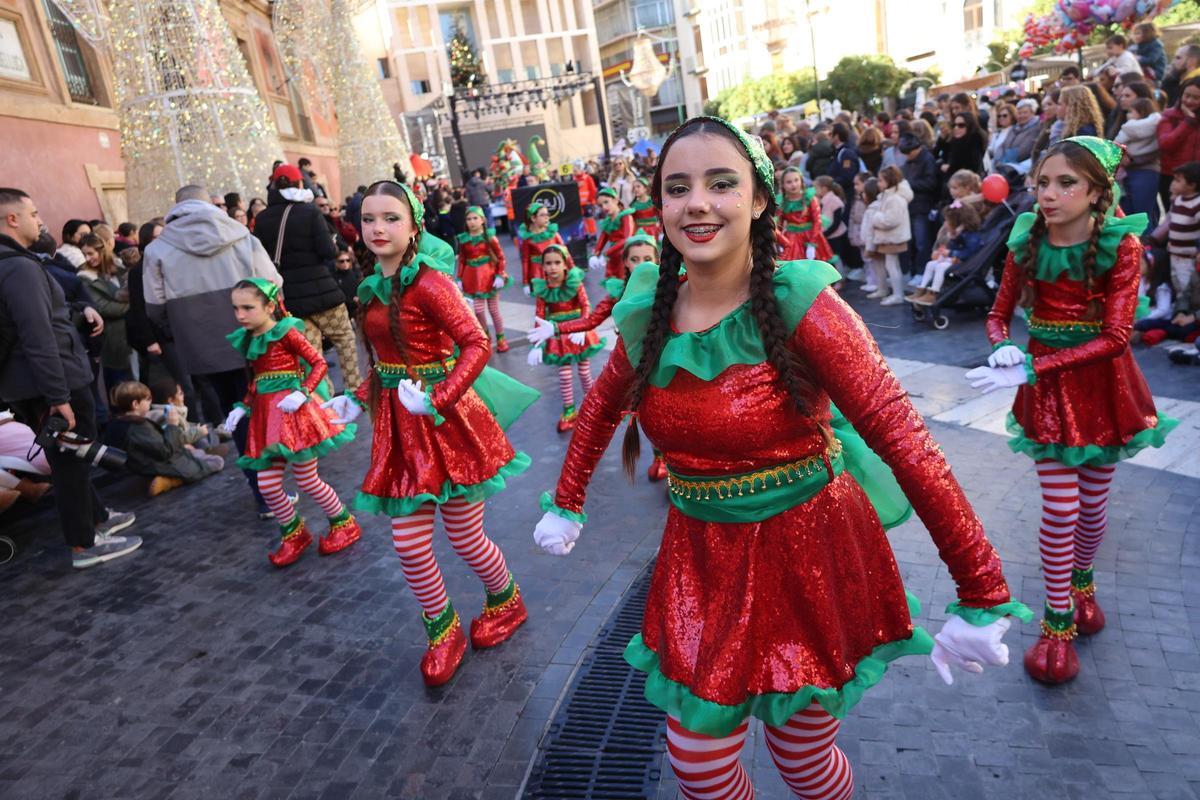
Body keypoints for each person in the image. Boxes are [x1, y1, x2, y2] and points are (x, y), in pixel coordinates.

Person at [532, 117, 1026, 799]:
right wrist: (566, 499)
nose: (697, 203)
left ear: (759, 199)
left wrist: (982, 590)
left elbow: (904, 438)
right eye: (678, 188)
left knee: (804, 761)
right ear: (660, 205)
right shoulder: (649, 306)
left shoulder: (806, 306)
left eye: (721, 183)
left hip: (809, 555)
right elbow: (598, 408)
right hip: (700, 560)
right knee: (699, 765)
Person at [971, 136, 1176, 684]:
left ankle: (1083, 582)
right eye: (1042, 182)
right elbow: (997, 315)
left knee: (1091, 507)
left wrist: (1036, 367)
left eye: (1066, 183)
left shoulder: (1122, 246)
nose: (1049, 194)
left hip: (1104, 391)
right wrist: (1001, 346)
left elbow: (1115, 337)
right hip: (1047, 397)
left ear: (1095, 192)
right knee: (1062, 509)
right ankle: (1057, 619)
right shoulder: (1026, 242)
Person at [319, 181, 531, 687]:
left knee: (464, 534)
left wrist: (438, 398)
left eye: (390, 218)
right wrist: (358, 395)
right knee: (409, 543)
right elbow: (391, 361)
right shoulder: (375, 283)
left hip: (448, 424)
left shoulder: (431, 284)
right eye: (369, 219)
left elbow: (476, 343)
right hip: (399, 426)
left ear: (414, 226)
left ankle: (506, 600)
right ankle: (443, 629)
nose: (377, 228)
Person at [0, 188, 140, 568]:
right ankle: (84, 544)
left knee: (71, 457)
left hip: (34, 381)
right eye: (32, 212)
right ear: (12, 219)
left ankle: (95, 519)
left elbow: (40, 319)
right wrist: (57, 394)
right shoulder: (17, 267)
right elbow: (37, 336)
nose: (39, 218)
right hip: (51, 381)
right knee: (69, 462)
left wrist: (81, 312)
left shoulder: (15, 264)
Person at [142, 184, 282, 516]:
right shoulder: (240, 234)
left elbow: (154, 306)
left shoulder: (158, 249)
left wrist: (179, 326)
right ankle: (277, 487)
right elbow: (272, 281)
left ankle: (262, 492)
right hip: (250, 333)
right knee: (261, 405)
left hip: (200, 340)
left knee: (233, 412)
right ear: (209, 204)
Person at [223, 279, 359, 566]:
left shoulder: (286, 334)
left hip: (295, 417)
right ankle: (294, 533)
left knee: (308, 479)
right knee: (268, 484)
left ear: (269, 306)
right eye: (236, 308)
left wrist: (303, 392)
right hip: (266, 419)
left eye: (248, 307)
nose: (240, 315)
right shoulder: (249, 338)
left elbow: (319, 363)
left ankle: (343, 522)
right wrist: (242, 407)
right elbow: (259, 380)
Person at [253, 164, 361, 393]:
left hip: (292, 299)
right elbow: (327, 252)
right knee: (344, 340)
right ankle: (355, 390)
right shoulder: (309, 211)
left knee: (313, 353)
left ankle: (327, 397)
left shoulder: (261, 219)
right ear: (300, 184)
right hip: (324, 293)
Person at [527, 245, 604, 432]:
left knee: (585, 372)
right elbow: (540, 316)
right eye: (548, 263)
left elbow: (586, 306)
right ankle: (569, 411)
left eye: (556, 262)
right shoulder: (543, 289)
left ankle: (593, 407)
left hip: (578, 332)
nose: (552, 267)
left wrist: (584, 327)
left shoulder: (574, 283)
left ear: (565, 264)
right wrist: (537, 344)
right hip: (557, 335)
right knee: (565, 375)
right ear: (543, 266)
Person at [106, 381, 223, 497]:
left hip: (147, 464)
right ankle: (171, 480)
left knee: (197, 454)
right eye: (147, 400)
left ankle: (171, 474)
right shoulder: (138, 427)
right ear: (135, 404)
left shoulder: (119, 423)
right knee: (216, 462)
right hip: (158, 465)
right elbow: (165, 451)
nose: (150, 403)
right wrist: (172, 425)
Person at [78, 233, 131, 402]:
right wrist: (134, 305)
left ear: (102, 251)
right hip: (112, 338)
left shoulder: (120, 266)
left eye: (91, 253)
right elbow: (103, 307)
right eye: (84, 254)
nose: (88, 258)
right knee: (119, 387)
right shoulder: (86, 278)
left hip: (132, 333)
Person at [906, 201, 983, 306]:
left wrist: (950, 252)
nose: (945, 223)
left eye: (948, 221)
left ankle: (934, 293)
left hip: (965, 263)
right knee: (930, 264)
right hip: (954, 260)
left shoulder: (971, 236)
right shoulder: (957, 234)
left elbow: (970, 252)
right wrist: (942, 252)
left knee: (941, 267)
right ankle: (922, 289)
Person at [456, 206, 510, 351]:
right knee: (478, 311)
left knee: (494, 310)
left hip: (489, 278)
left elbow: (501, 258)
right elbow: (462, 260)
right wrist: (459, 278)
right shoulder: (464, 240)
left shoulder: (490, 237)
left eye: (475, 218)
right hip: (472, 279)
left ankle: (501, 338)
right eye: (469, 219)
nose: (472, 222)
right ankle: (486, 338)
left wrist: (500, 274)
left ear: (482, 220)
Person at [1116, 97, 1162, 231]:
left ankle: (1141, 245)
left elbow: (1116, 143)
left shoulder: (1128, 128)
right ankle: (1148, 246)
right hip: (1150, 171)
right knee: (1146, 211)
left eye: (1131, 111)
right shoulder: (1157, 125)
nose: (1128, 115)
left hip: (1135, 172)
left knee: (1135, 213)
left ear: (1140, 112)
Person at [1157, 77, 1200, 213]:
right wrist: (1188, 122)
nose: (1189, 101)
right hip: (1173, 177)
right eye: (1186, 96)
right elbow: (1166, 144)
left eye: (1196, 98)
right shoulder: (1170, 116)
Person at [872, 164, 914, 305]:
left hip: (893, 237)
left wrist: (876, 217)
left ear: (889, 181)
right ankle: (896, 293)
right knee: (892, 265)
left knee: (892, 265)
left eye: (880, 180)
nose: (878, 183)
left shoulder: (894, 198)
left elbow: (891, 220)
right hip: (890, 237)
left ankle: (898, 295)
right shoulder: (888, 196)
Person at [898, 133, 938, 280]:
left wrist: (908, 184)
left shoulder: (927, 160)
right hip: (910, 206)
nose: (907, 156)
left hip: (922, 206)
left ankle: (921, 273)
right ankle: (911, 271)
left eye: (909, 152)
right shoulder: (909, 162)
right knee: (910, 242)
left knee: (922, 241)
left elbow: (931, 183)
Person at [776, 167, 834, 262]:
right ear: (783, 185)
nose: (793, 184)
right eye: (789, 182)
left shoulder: (809, 198)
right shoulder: (782, 202)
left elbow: (817, 221)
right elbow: (778, 225)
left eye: (796, 180)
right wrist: (780, 243)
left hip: (811, 236)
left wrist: (812, 244)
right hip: (791, 240)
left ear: (801, 181)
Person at [518, 201, 565, 292]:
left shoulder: (552, 233)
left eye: (547, 214)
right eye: (543, 215)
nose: (547, 217)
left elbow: (565, 253)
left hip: (555, 270)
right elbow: (525, 260)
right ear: (533, 218)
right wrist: (525, 282)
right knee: (542, 302)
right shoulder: (528, 239)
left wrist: (571, 271)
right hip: (538, 273)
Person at [593, 187, 636, 280]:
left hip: (625, 254)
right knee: (613, 281)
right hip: (613, 256)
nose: (604, 207)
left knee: (624, 281)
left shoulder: (626, 216)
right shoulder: (607, 220)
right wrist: (595, 253)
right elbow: (603, 237)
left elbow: (627, 239)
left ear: (615, 200)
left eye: (606, 202)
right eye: (600, 205)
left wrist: (607, 253)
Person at [937, 112, 987, 182]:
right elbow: (938, 154)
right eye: (954, 125)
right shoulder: (955, 141)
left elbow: (971, 167)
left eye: (961, 125)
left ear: (969, 126)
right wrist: (941, 139)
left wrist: (949, 168)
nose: (956, 128)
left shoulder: (975, 142)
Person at [1006, 99, 1043, 173]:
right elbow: (1004, 145)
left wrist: (1007, 158)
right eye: (1019, 113)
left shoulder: (1037, 128)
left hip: (1022, 168)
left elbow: (1026, 149)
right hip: (1008, 164)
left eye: (1025, 112)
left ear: (1033, 113)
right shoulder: (1014, 128)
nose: (1022, 115)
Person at [987, 102, 1016, 167]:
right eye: (999, 116)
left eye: (1005, 115)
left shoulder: (1015, 132)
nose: (1001, 118)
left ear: (1012, 116)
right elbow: (991, 150)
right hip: (993, 166)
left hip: (1006, 166)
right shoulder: (997, 132)